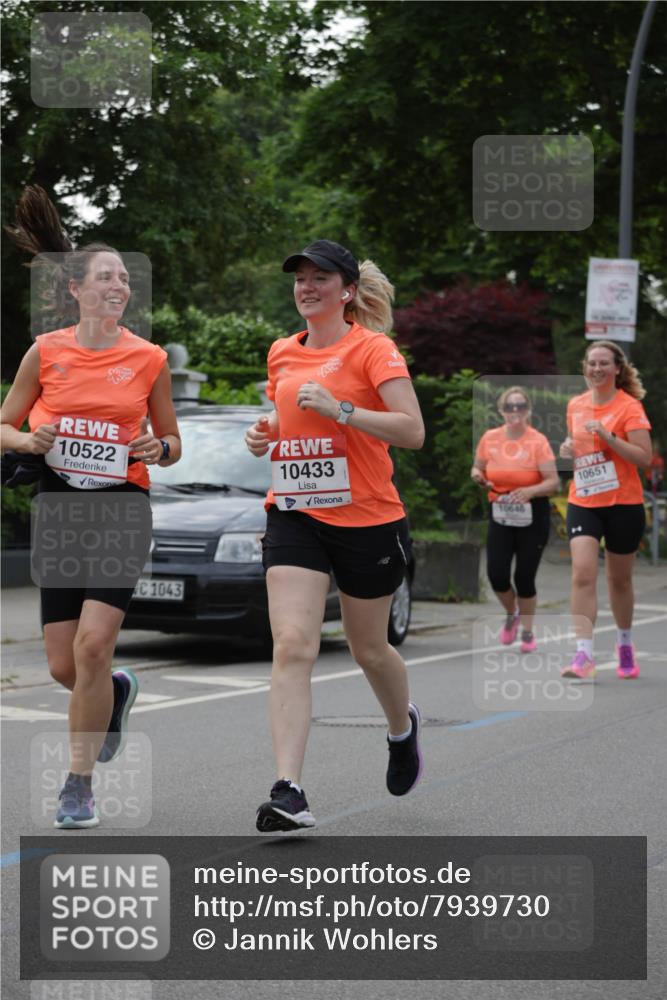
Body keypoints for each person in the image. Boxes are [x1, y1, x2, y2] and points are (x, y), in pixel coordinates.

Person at [0, 186, 181, 828]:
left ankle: (77, 785)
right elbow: (5, 424)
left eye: (125, 278)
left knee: (95, 647)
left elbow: (172, 443)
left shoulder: (148, 358)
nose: (118, 286)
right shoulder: (46, 350)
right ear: (75, 290)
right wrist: (30, 438)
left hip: (121, 510)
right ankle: (116, 695)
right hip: (60, 511)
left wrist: (157, 446)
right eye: (106, 276)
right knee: (63, 663)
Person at [244, 239, 425, 831]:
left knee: (369, 648)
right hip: (295, 512)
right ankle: (288, 790)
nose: (306, 286)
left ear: (347, 291)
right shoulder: (280, 351)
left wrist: (340, 409)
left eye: (320, 277)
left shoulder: (374, 349)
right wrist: (266, 432)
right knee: (293, 644)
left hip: (368, 518)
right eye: (299, 277)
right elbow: (287, 416)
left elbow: (412, 430)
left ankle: (402, 729)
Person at [559, 340, 652, 680]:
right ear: (584, 367)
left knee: (619, 579)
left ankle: (624, 643)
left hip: (623, 503)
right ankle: (583, 654)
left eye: (603, 364)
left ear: (617, 369)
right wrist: (568, 449)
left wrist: (610, 436)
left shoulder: (630, 408)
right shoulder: (576, 405)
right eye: (591, 363)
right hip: (584, 500)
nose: (596, 369)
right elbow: (580, 449)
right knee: (583, 572)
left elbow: (644, 458)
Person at [471, 387, 559, 652]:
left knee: (524, 577)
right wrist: (477, 475)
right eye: (510, 407)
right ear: (502, 411)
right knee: (496, 574)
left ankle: (528, 632)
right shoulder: (490, 438)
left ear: (528, 410)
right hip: (501, 510)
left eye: (520, 406)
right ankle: (513, 612)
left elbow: (553, 482)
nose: (515, 412)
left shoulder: (537, 441)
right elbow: (477, 466)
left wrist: (530, 490)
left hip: (533, 513)